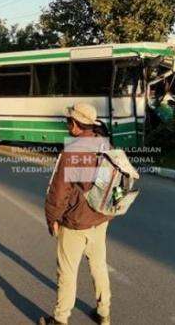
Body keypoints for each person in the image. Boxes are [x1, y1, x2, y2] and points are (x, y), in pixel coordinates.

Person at [39, 103, 113, 325]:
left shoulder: (72, 151)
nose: (67, 125)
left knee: (68, 272)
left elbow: (58, 192)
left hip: (75, 222)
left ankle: (60, 319)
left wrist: (52, 218)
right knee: (98, 265)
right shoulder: (103, 144)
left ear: (77, 125)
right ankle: (104, 313)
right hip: (100, 217)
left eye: (69, 121)